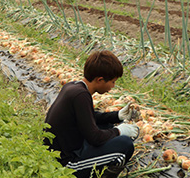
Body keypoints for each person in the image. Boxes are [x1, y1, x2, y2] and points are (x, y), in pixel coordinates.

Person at [44, 50, 137, 178]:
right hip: (66, 164)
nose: (113, 86)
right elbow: (95, 137)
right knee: (125, 145)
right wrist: (119, 131)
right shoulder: (81, 95)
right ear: (100, 80)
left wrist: (117, 116)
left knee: (107, 126)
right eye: (113, 82)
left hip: (63, 150)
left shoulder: (73, 87)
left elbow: (89, 117)